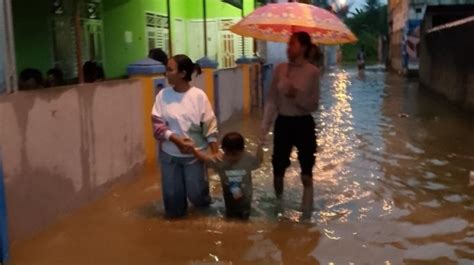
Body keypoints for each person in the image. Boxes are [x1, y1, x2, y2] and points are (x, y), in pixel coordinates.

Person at [151, 54, 219, 218]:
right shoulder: (163, 96)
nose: (166, 73)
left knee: (198, 197)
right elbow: (157, 124)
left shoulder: (198, 96)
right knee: (173, 201)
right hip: (169, 155)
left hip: (195, 155)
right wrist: (175, 138)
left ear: (182, 74)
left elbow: (209, 125)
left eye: (169, 69)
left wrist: (214, 154)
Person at [260, 32, 320, 215]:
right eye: (287, 44)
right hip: (283, 123)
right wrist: (264, 127)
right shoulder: (280, 70)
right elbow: (271, 101)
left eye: (292, 44)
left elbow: (314, 105)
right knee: (278, 169)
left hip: (304, 124)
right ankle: (279, 206)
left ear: (302, 47)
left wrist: (294, 93)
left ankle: (306, 214)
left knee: (306, 172)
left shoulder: (312, 72)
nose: (288, 48)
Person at [192, 132, 264, 220]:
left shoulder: (247, 159)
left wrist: (260, 147)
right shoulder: (220, 160)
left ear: (242, 150)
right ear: (223, 150)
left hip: (246, 197)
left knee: (245, 215)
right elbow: (204, 158)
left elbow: (258, 161)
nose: (231, 157)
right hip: (229, 197)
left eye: (234, 154)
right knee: (230, 215)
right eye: (228, 154)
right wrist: (192, 149)